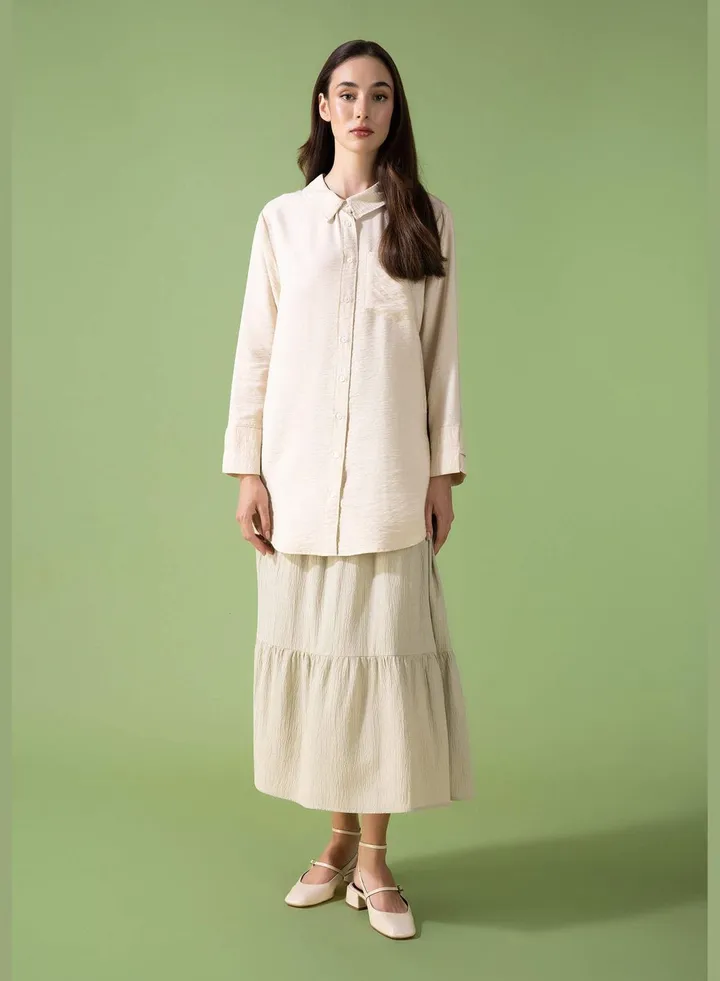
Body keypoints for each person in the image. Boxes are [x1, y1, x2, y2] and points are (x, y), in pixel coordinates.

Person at [221, 38, 474, 941]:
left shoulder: (428, 221)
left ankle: (374, 861)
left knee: (381, 673)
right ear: (323, 107)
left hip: (388, 482)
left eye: (380, 95)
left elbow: (442, 358)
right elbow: (255, 353)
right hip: (294, 483)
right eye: (347, 93)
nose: (363, 109)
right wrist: (248, 470)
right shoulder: (281, 222)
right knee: (324, 666)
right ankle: (333, 844)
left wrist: (442, 472)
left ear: (393, 111)